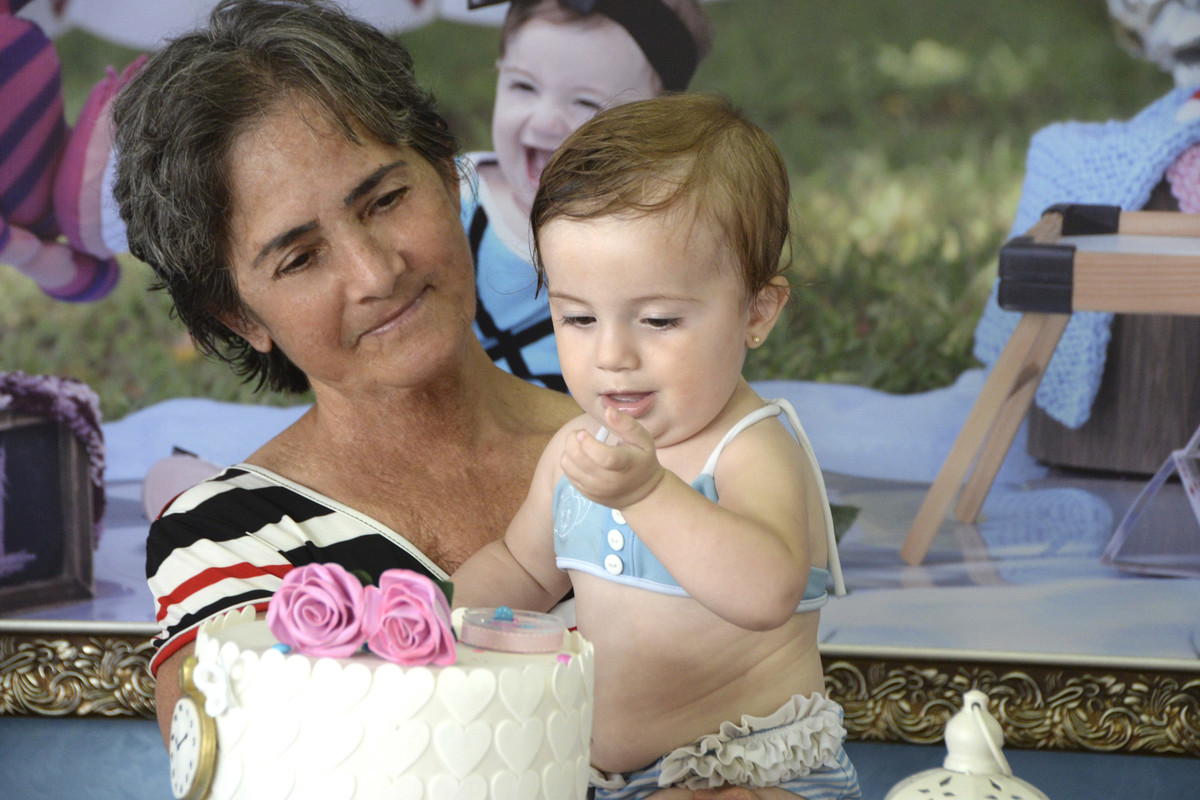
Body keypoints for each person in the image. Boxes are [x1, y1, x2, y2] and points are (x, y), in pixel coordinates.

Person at [110, 0, 578, 746]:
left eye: (386, 200)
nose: (375, 273)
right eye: (300, 258)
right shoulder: (226, 542)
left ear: (448, 175)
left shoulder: (646, 451)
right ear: (239, 317)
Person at [452, 94, 861, 800]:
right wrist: (427, 615)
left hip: (748, 770)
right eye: (578, 319)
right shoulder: (576, 448)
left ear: (757, 312)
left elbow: (768, 589)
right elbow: (520, 567)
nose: (613, 355)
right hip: (605, 778)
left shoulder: (749, 448)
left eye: (659, 320)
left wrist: (648, 494)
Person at [462, 0, 713, 391]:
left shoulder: (660, 236)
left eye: (586, 103)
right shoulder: (453, 197)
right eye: (523, 86)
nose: (546, 120)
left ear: (657, 122)